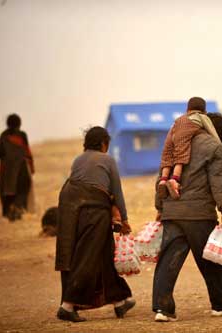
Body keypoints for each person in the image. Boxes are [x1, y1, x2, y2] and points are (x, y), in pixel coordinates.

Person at [152, 112, 222, 322]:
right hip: (198, 213)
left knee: (167, 262)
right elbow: (218, 181)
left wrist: (160, 206)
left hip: (172, 211)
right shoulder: (213, 146)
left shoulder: (175, 140)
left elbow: (161, 177)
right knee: (210, 259)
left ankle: (163, 310)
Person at [55, 126, 134, 322]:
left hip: (72, 211)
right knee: (87, 258)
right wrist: (124, 220)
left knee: (104, 254)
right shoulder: (107, 160)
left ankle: (119, 301)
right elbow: (117, 192)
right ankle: (67, 305)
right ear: (103, 143)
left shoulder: (78, 159)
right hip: (94, 211)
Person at [157, 97, 220, 200]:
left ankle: (163, 180)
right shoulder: (201, 116)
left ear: (187, 110)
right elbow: (211, 130)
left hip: (173, 130)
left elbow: (167, 152)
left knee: (168, 155)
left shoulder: (180, 119)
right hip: (183, 133)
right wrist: (218, 144)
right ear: (205, 111)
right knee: (180, 156)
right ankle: (174, 180)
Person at [0, 114, 34, 221]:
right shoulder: (22, 135)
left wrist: (5, 158)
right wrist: (32, 167)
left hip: (6, 170)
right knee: (23, 189)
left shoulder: (4, 135)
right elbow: (27, 151)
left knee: (6, 192)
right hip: (22, 168)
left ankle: (9, 213)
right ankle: (17, 210)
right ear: (19, 123)